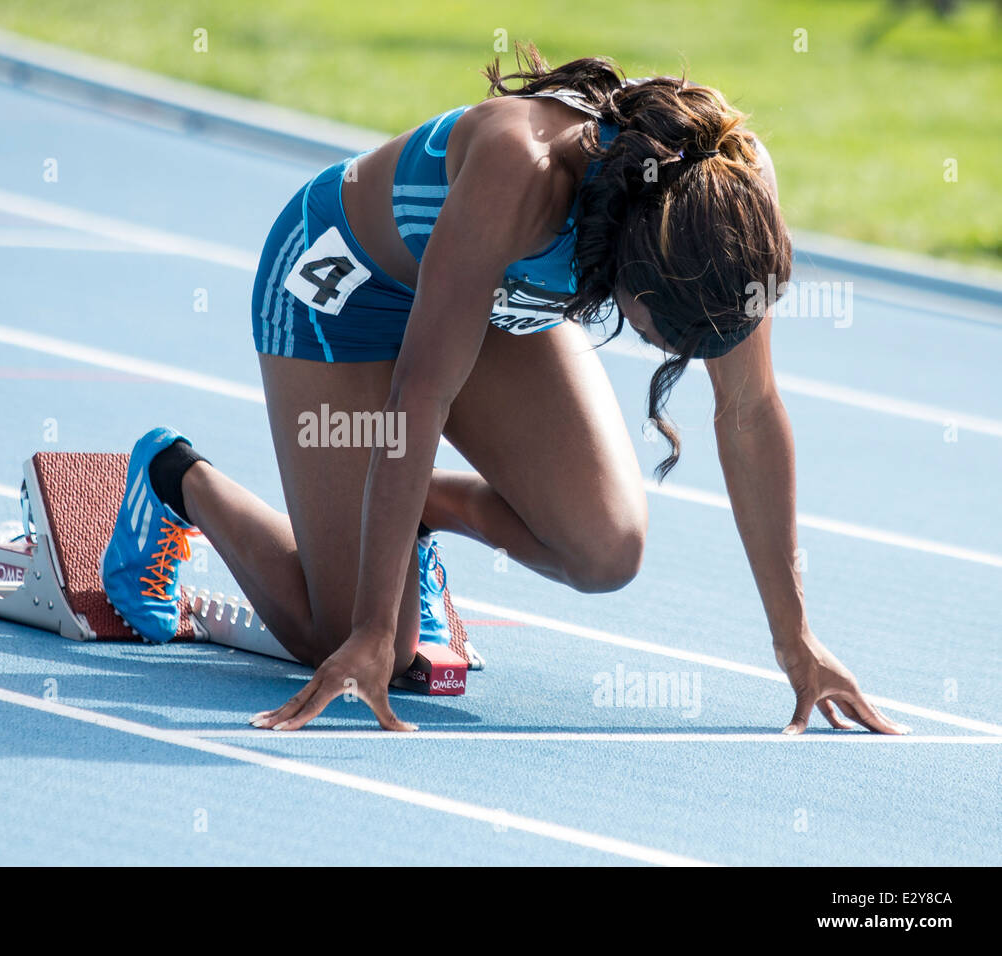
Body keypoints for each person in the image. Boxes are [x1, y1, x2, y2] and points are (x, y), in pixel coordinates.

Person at [101, 47, 908, 735]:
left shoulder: (730, 189)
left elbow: (751, 410)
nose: (691, 358)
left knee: (606, 549)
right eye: (676, 340)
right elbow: (418, 398)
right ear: (630, 271)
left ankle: (421, 515)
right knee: (338, 637)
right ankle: (174, 477)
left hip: (475, 297)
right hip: (338, 293)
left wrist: (796, 639)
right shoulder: (520, 169)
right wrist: (375, 631)